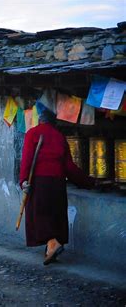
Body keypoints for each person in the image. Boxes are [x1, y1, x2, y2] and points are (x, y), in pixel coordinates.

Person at [19, 107, 95, 265]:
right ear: (54, 123)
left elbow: (26, 159)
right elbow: (69, 167)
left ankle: (53, 243)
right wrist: (88, 182)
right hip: (58, 183)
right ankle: (50, 248)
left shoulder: (32, 133)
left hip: (39, 183)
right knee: (55, 214)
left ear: (40, 120)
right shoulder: (60, 137)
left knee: (40, 215)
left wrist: (23, 181)